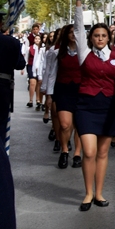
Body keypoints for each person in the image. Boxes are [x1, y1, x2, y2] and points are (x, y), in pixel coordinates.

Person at [73, 0, 115, 210]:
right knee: (89, 151)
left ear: (109, 37)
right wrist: (79, 1)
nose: (99, 38)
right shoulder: (84, 53)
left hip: (108, 105)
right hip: (86, 104)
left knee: (103, 152)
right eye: (96, 35)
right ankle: (87, 193)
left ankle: (99, 193)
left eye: (103, 35)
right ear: (91, 38)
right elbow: (78, 28)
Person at [43, 25, 84, 168]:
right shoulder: (56, 52)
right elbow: (51, 73)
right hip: (63, 89)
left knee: (79, 124)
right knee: (65, 124)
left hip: (81, 90)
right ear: (66, 35)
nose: (73, 35)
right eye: (71, 33)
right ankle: (64, 149)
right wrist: (48, 94)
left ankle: (77, 153)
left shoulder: (85, 51)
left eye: (76, 33)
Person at [0, 10, 24, 145]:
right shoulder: (12, 43)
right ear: (1, 24)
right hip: (2, 86)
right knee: (0, 122)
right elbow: (20, 65)